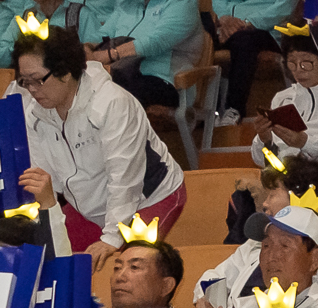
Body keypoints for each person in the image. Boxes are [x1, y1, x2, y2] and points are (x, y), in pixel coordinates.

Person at [10, 24, 188, 255]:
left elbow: (124, 178)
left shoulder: (112, 104)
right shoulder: (34, 113)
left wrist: (111, 239)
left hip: (149, 198)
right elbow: (44, 181)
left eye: (37, 80)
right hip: (90, 208)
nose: (31, 89)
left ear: (65, 72)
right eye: (24, 81)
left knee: (129, 268)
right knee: (53, 257)